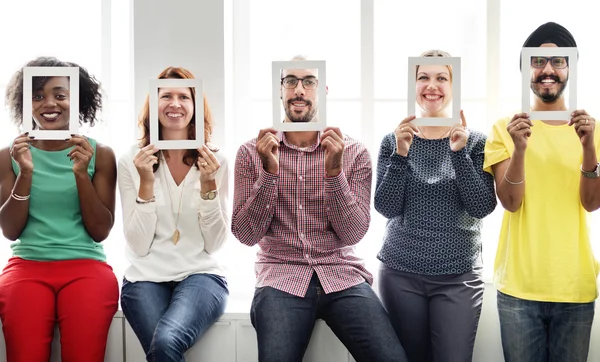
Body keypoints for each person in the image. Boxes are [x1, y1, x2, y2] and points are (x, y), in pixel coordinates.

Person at [231, 56, 408, 362]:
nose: (299, 89)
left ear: (322, 91)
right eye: (291, 81)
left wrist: (334, 172)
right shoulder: (251, 152)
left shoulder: (352, 152)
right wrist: (269, 173)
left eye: (309, 82)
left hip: (340, 274)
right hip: (280, 275)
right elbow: (246, 234)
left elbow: (353, 233)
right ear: (280, 91)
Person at [483, 22, 600, 362]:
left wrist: (589, 148)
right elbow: (510, 202)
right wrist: (520, 149)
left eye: (558, 61)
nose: (547, 70)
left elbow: (591, 204)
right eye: (538, 61)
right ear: (526, 70)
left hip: (574, 285)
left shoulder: (592, 130)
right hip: (519, 287)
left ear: (570, 69)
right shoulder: (505, 128)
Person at [374, 50, 497, 362]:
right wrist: (401, 155)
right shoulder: (393, 141)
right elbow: (386, 208)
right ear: (413, 86)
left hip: (458, 276)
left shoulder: (476, 141)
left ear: (453, 87)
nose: (432, 85)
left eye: (441, 77)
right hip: (400, 273)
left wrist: (459, 153)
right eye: (423, 77)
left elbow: (482, 206)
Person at [0, 56, 119, 361]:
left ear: (77, 100)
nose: (48, 103)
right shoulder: (9, 156)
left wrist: (81, 172)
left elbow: (100, 231)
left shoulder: (100, 155)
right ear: (26, 104)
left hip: (86, 266)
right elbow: (10, 230)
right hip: (27, 267)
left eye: (60, 95)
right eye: (37, 96)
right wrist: (26, 173)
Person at [118, 66, 229, 361]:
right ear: (153, 105)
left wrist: (208, 185)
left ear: (195, 106)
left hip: (201, 275)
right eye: (165, 95)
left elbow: (215, 243)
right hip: (145, 277)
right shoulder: (131, 160)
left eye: (184, 96)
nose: (175, 103)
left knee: (166, 343)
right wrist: (146, 182)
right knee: (164, 348)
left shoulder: (216, 160)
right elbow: (138, 245)